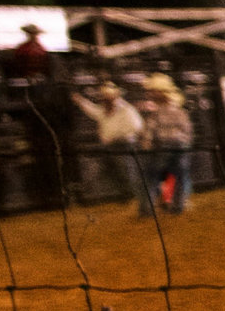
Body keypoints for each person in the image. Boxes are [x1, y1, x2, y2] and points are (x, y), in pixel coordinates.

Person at [70, 79, 146, 207]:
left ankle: (132, 195)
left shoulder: (126, 110)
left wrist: (117, 136)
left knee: (125, 170)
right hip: (112, 145)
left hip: (124, 144)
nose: (104, 99)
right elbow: (93, 110)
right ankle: (127, 195)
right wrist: (80, 101)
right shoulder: (105, 110)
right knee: (115, 170)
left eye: (107, 97)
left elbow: (136, 127)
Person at [140, 80, 193, 215]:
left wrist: (147, 143)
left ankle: (147, 208)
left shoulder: (156, 113)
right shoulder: (180, 112)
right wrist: (186, 143)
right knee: (179, 176)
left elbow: (150, 129)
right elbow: (187, 129)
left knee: (153, 176)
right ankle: (177, 206)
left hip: (163, 145)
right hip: (179, 145)